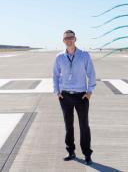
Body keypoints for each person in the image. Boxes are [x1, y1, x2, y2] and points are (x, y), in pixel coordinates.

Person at [52, 29, 96, 165]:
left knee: (84, 126)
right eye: (66, 38)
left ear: (75, 39)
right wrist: (57, 92)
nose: (68, 40)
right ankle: (71, 151)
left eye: (71, 37)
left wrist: (89, 92)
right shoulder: (59, 57)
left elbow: (91, 74)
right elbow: (55, 75)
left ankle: (87, 154)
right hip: (65, 97)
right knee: (68, 126)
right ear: (63, 41)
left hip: (81, 96)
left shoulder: (84, 55)